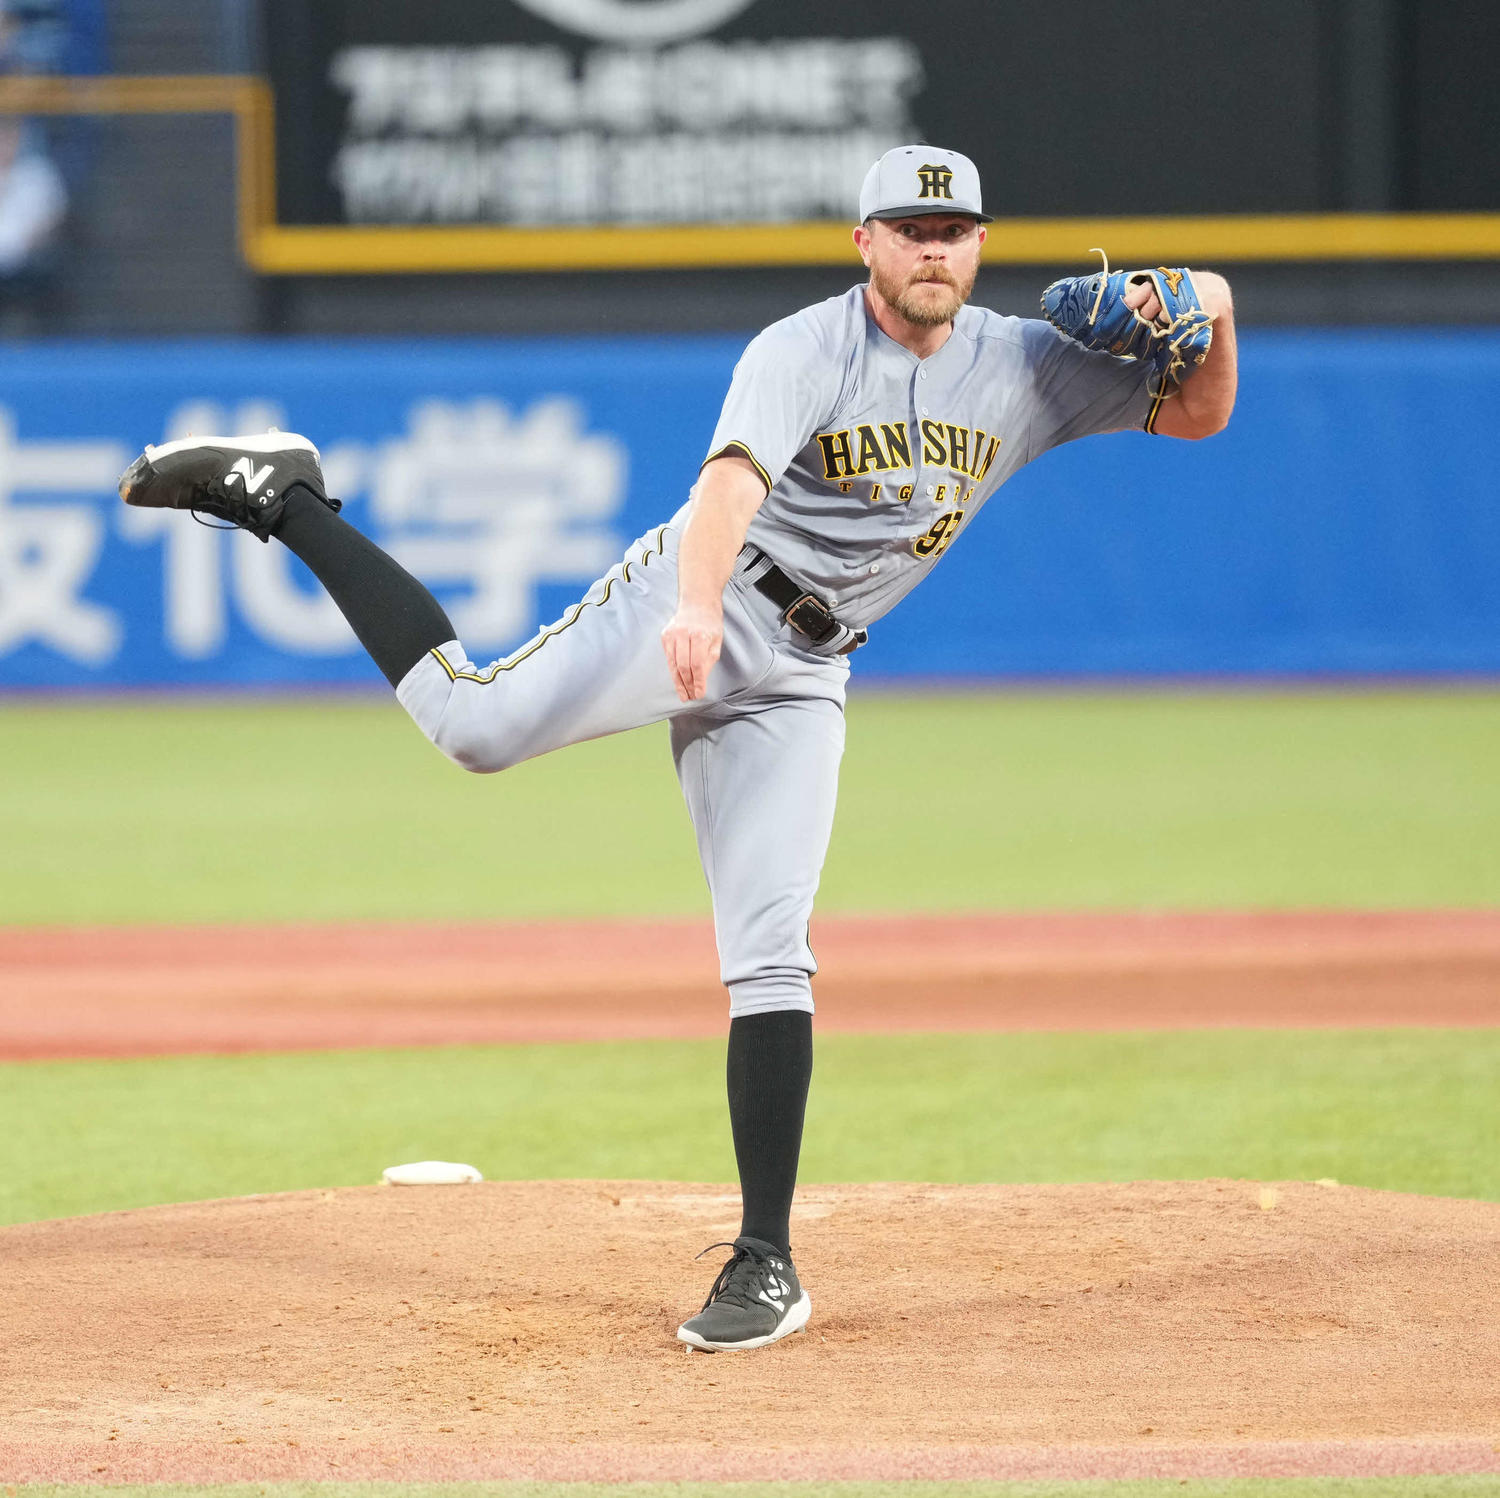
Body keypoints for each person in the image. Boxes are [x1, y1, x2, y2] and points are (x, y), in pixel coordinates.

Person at [118, 145, 1237, 1354]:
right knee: (474, 727)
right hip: (711, 593)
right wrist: (696, 607)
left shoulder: (1025, 364)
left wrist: (1216, 302)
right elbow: (728, 488)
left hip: (806, 669)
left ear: (979, 245)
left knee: (772, 952)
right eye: (909, 227)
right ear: (864, 242)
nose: (931, 248)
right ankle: (286, 495)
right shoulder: (802, 349)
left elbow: (1198, 412)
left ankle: (766, 1261)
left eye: (952, 229)